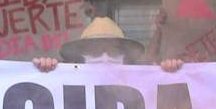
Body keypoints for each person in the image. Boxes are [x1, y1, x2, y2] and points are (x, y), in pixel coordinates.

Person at [32, 15, 184, 72]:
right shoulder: (66, 87)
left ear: (125, 57)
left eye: (112, 52)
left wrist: (171, 75)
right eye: (95, 52)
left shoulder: (139, 90)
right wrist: (44, 71)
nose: (104, 58)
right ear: (79, 59)